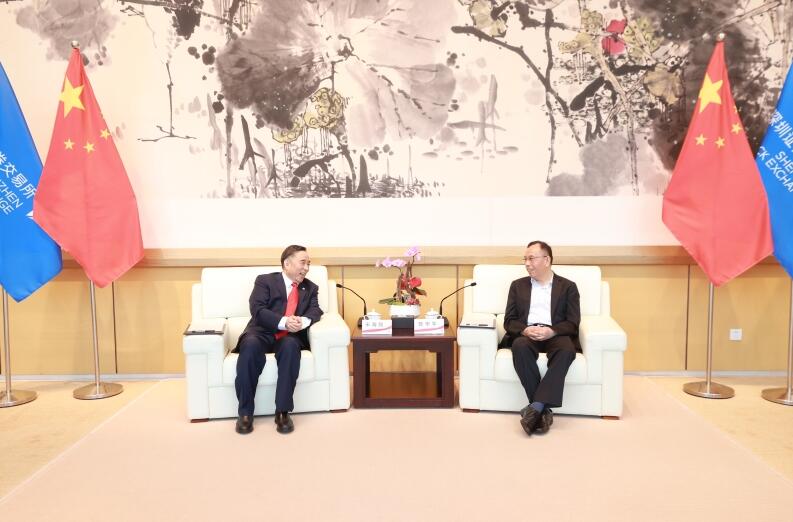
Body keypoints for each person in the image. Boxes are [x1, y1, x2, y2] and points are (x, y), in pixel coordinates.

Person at [233, 245, 323, 435]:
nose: (306, 268)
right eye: (303, 262)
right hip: (261, 331)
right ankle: (245, 413)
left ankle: (282, 412)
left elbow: (316, 311)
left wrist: (302, 321)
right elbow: (257, 309)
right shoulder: (265, 281)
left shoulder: (310, 287)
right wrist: (283, 322)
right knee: (250, 346)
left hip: (289, 336)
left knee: (291, 347)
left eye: (309, 264)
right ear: (287, 264)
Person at [502, 240, 580, 436]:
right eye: (525, 259)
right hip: (527, 333)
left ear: (547, 260)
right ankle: (542, 410)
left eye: (531, 258)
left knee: (567, 350)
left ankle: (536, 407)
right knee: (519, 346)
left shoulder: (568, 287)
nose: (527, 264)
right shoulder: (517, 286)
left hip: (555, 333)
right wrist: (525, 330)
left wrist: (552, 331)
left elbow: (573, 323)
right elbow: (509, 321)